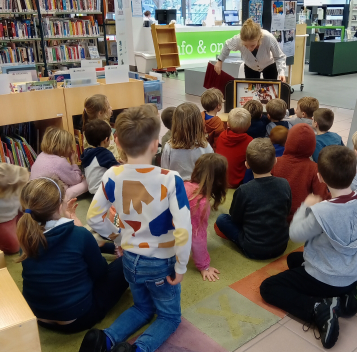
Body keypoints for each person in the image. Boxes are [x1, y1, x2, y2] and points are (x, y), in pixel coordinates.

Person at [81, 105, 192, 352]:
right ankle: (137, 349)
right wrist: (182, 265)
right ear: (156, 145)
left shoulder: (111, 175)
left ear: (117, 141)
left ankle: (104, 339)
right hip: (161, 262)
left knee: (141, 307)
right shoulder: (170, 178)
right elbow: (183, 228)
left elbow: (94, 217)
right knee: (169, 317)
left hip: (130, 259)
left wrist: (119, 238)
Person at [260, 146, 357, 350]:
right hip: (353, 276)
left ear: (320, 177)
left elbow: (295, 234)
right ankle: (343, 298)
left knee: (268, 287)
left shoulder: (321, 211)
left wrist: (305, 207)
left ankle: (319, 309)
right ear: (354, 172)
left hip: (325, 278)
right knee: (293, 260)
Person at [18, 177, 128, 333]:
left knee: (78, 255)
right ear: (59, 206)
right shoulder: (79, 235)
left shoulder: (25, 235)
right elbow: (100, 273)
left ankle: (105, 247)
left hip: (37, 315)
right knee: (127, 262)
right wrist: (77, 225)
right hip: (76, 319)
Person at [215, 138, 292, 259]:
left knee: (222, 219)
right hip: (281, 246)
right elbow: (286, 211)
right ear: (275, 161)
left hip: (253, 249)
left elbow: (235, 218)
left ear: (247, 165)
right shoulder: (284, 183)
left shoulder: (244, 190)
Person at [272, 124, 330, 222]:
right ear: (312, 145)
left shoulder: (274, 162)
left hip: (274, 215)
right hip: (299, 219)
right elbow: (321, 197)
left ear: (288, 141)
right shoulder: (314, 168)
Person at [185, 153, 228, 282]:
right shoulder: (201, 203)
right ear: (220, 179)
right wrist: (204, 266)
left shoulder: (185, 185)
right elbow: (197, 237)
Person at [215, 19, 287, 82]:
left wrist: (281, 72)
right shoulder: (238, 39)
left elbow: (279, 57)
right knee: (251, 92)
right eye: (245, 45)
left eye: (252, 45)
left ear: (259, 38)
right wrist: (220, 61)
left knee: (271, 90)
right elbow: (227, 45)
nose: (249, 49)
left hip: (269, 65)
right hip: (250, 67)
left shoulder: (268, 38)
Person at [30, 127, 88, 201]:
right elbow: (77, 180)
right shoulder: (59, 162)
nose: (71, 148)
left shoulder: (41, 154)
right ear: (63, 146)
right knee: (87, 182)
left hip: (35, 193)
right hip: (50, 199)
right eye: (70, 145)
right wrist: (73, 161)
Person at [161, 102, 214, 181]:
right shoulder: (205, 146)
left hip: (176, 188)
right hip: (198, 189)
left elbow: (164, 172)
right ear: (199, 123)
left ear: (175, 123)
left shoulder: (169, 146)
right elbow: (210, 172)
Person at [216, 108, 253, 188]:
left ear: (228, 123)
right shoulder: (249, 141)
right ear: (249, 125)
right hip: (238, 183)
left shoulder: (222, 135)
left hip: (220, 180)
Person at [81, 120, 120, 194]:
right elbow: (117, 170)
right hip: (103, 190)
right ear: (106, 140)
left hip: (92, 189)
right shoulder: (105, 154)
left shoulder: (87, 152)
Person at [82, 94, 122, 162]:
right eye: (108, 107)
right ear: (100, 113)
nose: (111, 108)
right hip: (109, 163)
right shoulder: (100, 129)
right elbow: (108, 149)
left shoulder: (91, 126)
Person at [0, 164, 28, 254]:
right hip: (3, 221)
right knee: (14, 247)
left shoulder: (17, 190)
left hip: (15, 214)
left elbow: (23, 204)